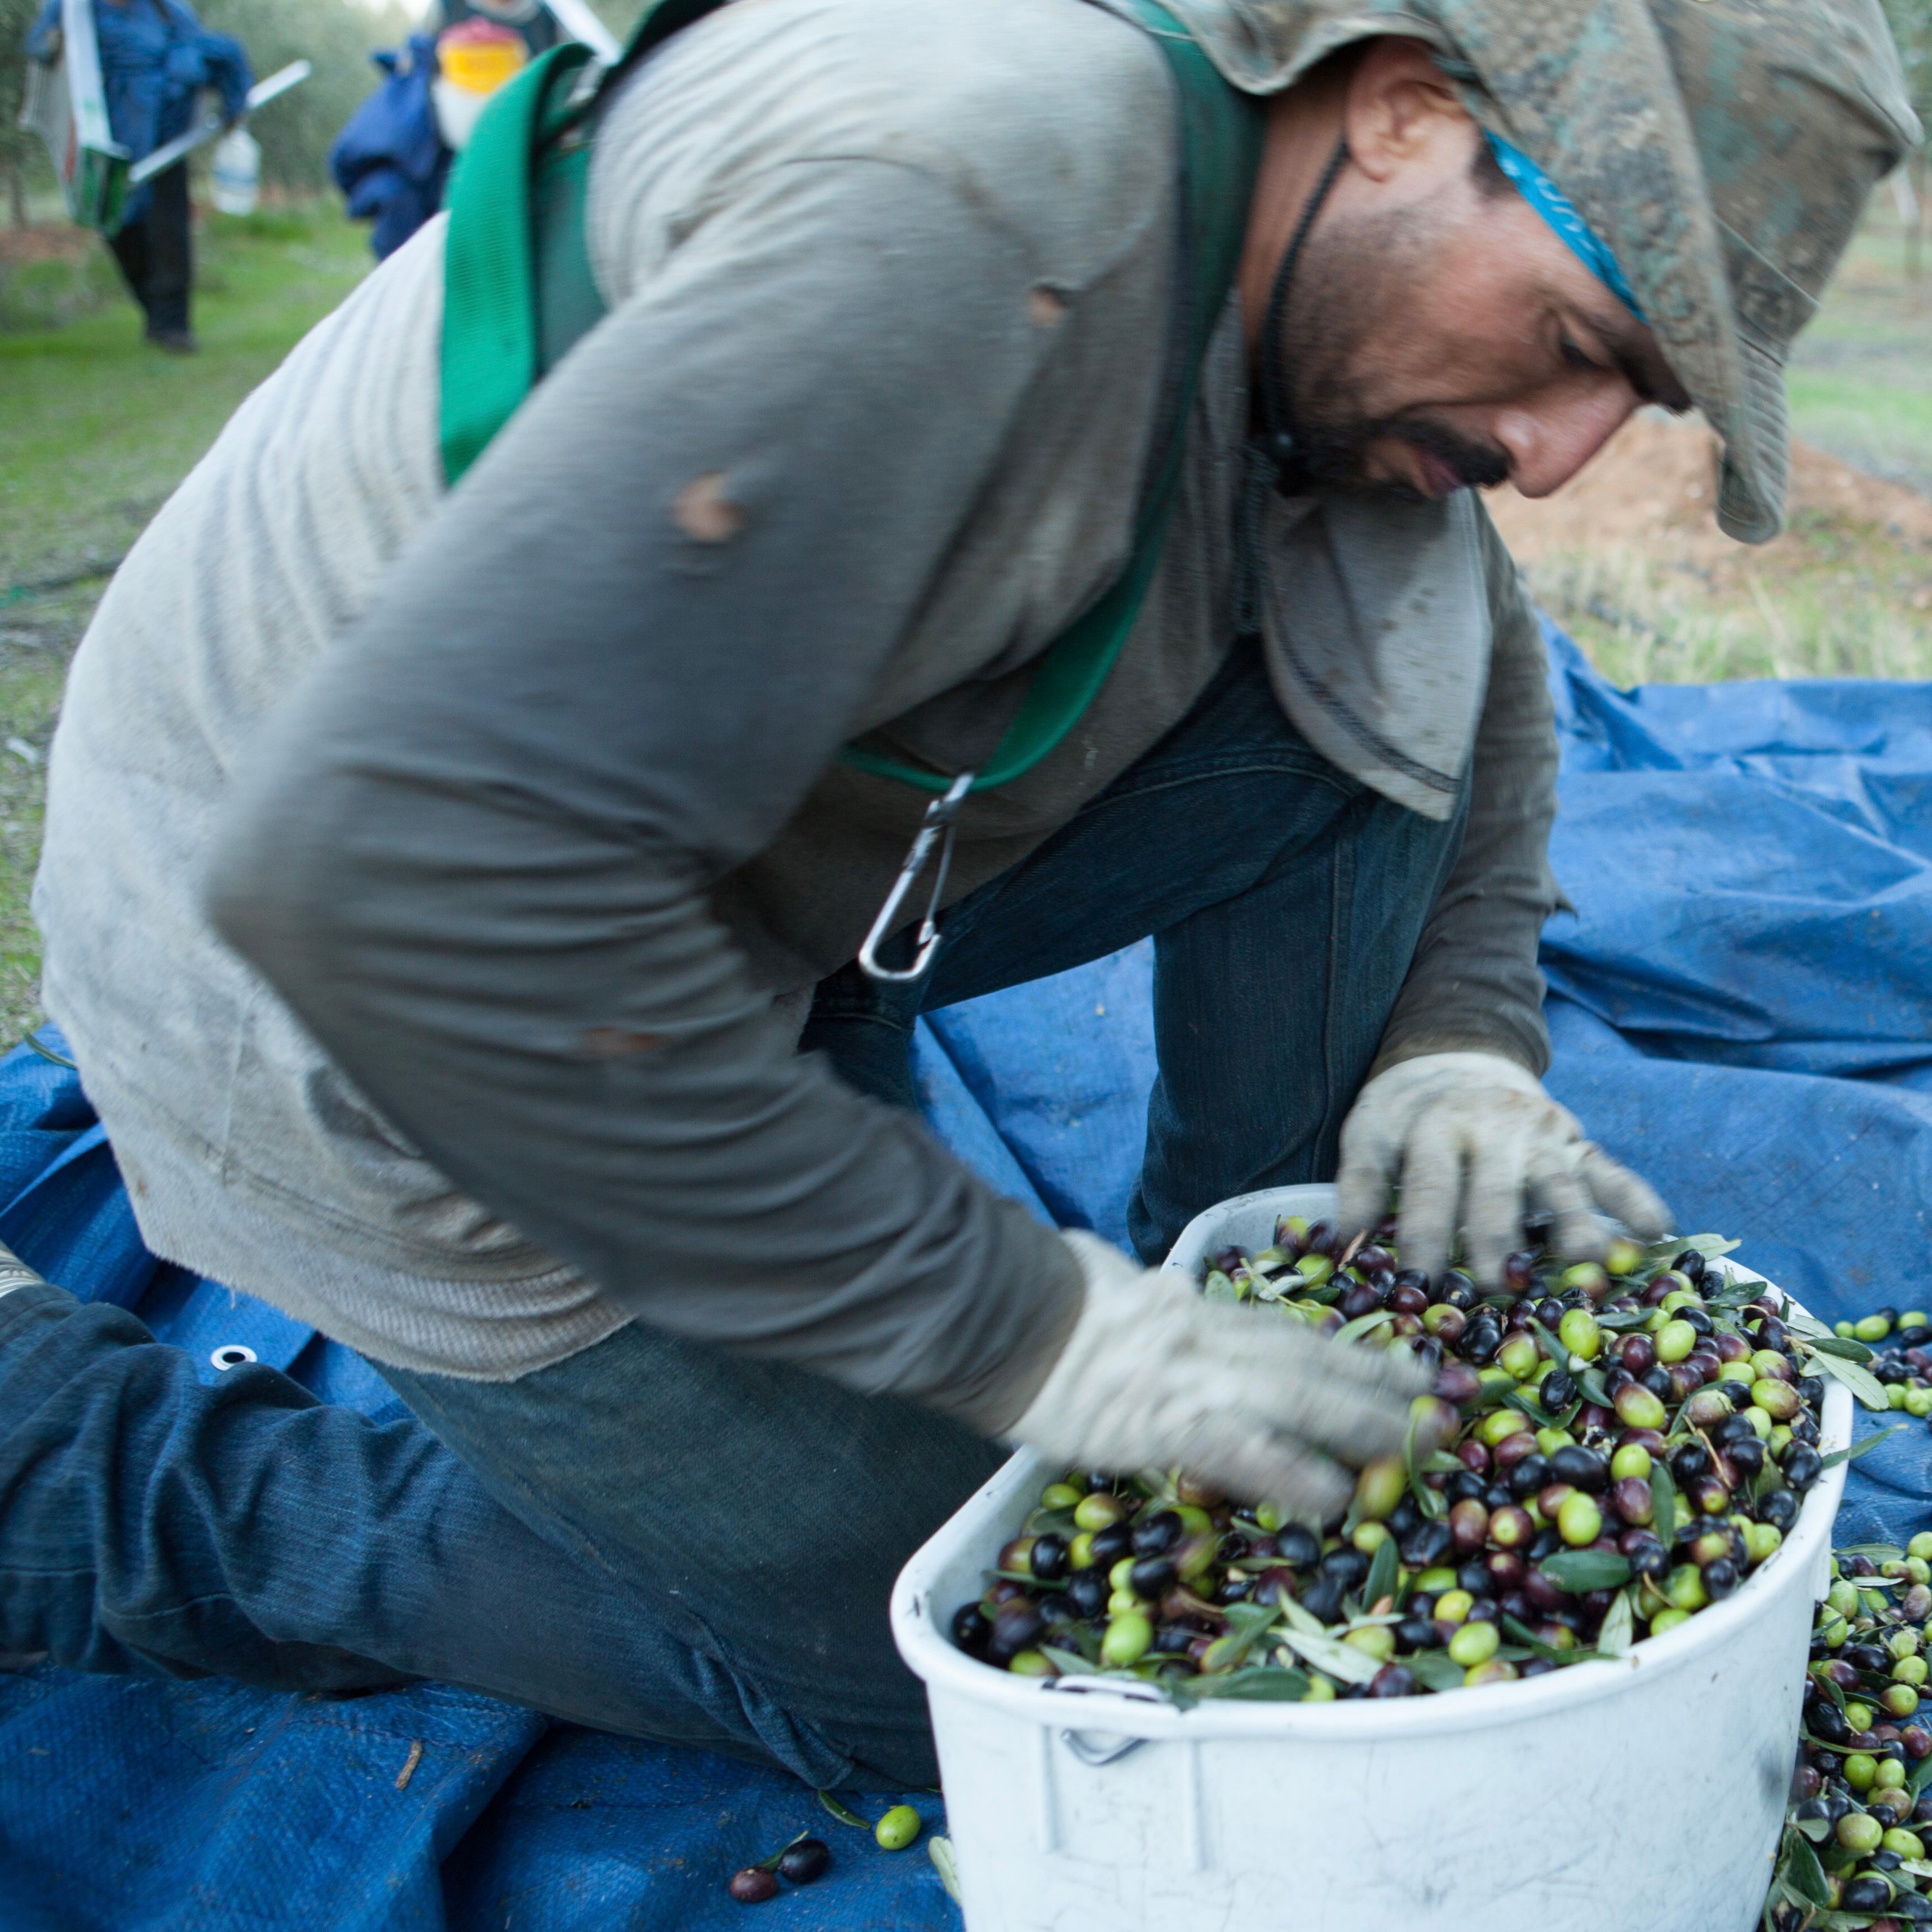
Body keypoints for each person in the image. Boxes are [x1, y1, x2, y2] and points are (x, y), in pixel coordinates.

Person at [10, 0, 1916, 1789]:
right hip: (361, 991)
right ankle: (96, 1464)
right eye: (1580, 347)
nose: (1560, 453)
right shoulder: (986, 189)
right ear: (1408, 107)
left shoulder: (1294, 286)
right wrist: (1021, 1327)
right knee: (974, 1685)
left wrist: (1461, 1039)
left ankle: (1233, 1295)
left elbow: (1462, 654)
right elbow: (391, 887)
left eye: (1634, 402)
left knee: (1385, 586)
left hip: (721, 875)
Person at [24, 0, 251, 352]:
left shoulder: (167, 9)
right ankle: (154, 312)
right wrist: (50, 45)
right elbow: (40, 44)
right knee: (120, 229)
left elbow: (208, 51)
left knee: (169, 231)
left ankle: (174, 326)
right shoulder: (74, 8)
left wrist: (231, 104)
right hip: (110, 142)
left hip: (163, 138)